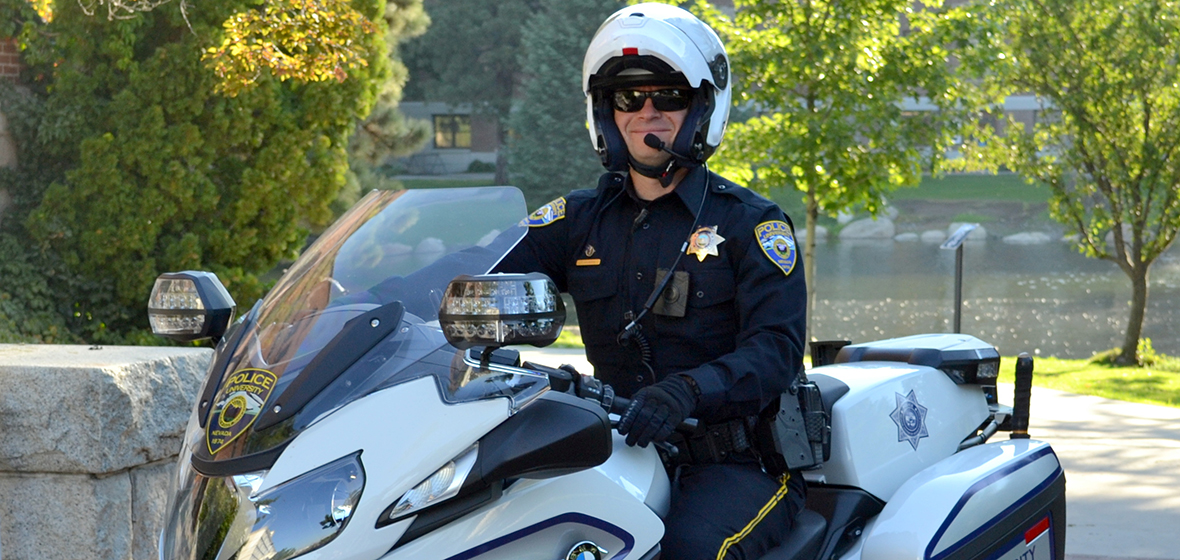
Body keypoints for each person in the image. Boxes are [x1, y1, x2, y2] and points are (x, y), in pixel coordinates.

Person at [493, 4, 808, 559]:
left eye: (669, 96)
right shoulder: (577, 219)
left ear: (701, 108)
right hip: (618, 448)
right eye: (627, 98)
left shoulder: (750, 223)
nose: (647, 112)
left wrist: (688, 389)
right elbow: (480, 274)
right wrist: (370, 303)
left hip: (735, 463)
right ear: (604, 113)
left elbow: (777, 350)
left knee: (687, 551)